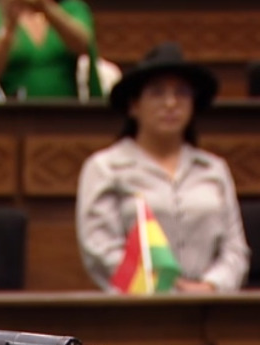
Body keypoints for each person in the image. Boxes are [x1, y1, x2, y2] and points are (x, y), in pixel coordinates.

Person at [77, 42, 250, 293]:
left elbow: (235, 250)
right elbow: (100, 249)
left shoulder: (214, 169)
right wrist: (166, 289)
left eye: (181, 93)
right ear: (134, 106)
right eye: (157, 93)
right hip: (136, 306)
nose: (170, 103)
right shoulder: (105, 168)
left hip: (209, 305)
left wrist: (211, 286)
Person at [0, 0, 98, 98]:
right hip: (12, 119)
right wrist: (8, 30)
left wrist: (46, 8)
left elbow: (84, 45)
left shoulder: (71, 8)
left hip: (67, 118)